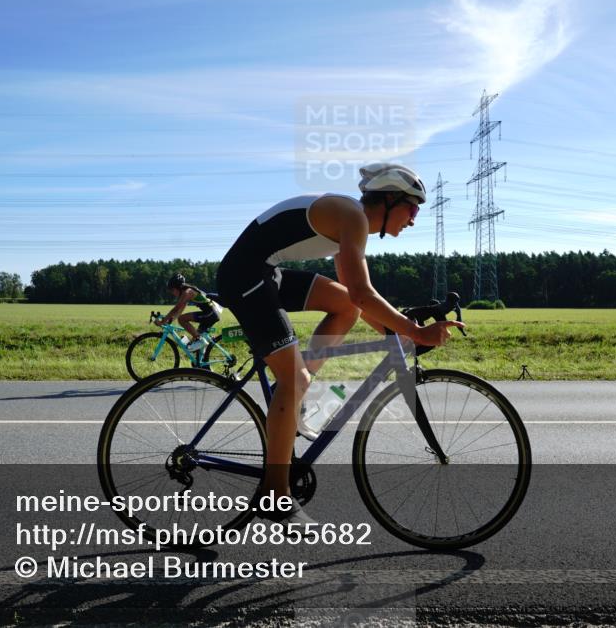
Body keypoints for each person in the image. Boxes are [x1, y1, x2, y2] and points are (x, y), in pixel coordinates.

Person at [215, 162, 464, 521]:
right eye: (412, 208)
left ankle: (298, 395)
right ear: (391, 200)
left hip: (264, 271)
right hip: (246, 276)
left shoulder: (350, 219)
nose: (414, 219)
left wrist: (398, 330)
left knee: (343, 306)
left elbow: (354, 298)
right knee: (293, 378)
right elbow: (364, 293)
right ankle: (275, 493)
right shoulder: (353, 218)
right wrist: (414, 331)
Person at [157, 273, 222, 352]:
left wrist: (163, 321)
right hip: (210, 313)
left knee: (182, 320)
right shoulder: (186, 292)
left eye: (172, 290)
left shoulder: (187, 292)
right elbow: (180, 311)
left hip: (211, 313)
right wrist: (170, 321)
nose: (172, 292)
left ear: (178, 287)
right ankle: (203, 362)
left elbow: (176, 309)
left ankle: (200, 340)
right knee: (194, 345)